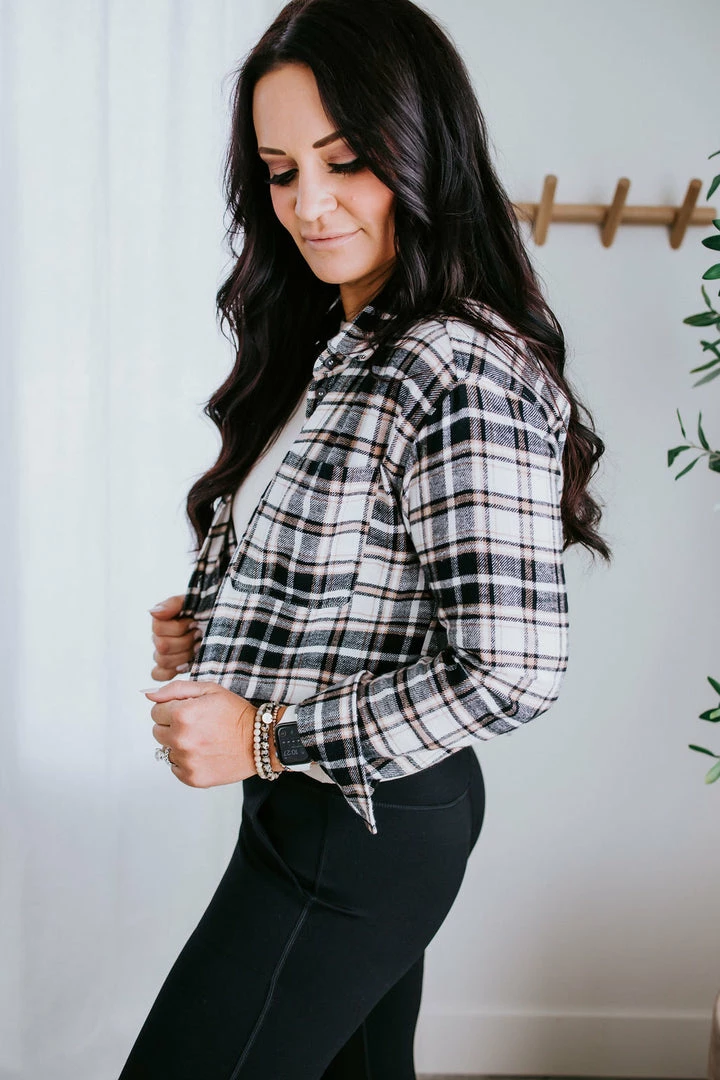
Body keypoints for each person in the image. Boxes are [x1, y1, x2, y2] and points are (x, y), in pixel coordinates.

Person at [119, 0, 611, 1076]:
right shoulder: (351, 339)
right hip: (328, 812)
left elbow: (511, 671)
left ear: (425, 150)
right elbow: (368, 579)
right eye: (280, 171)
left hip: (358, 826)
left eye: (345, 161)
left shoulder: (453, 365)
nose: (310, 203)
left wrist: (262, 737)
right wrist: (220, 627)